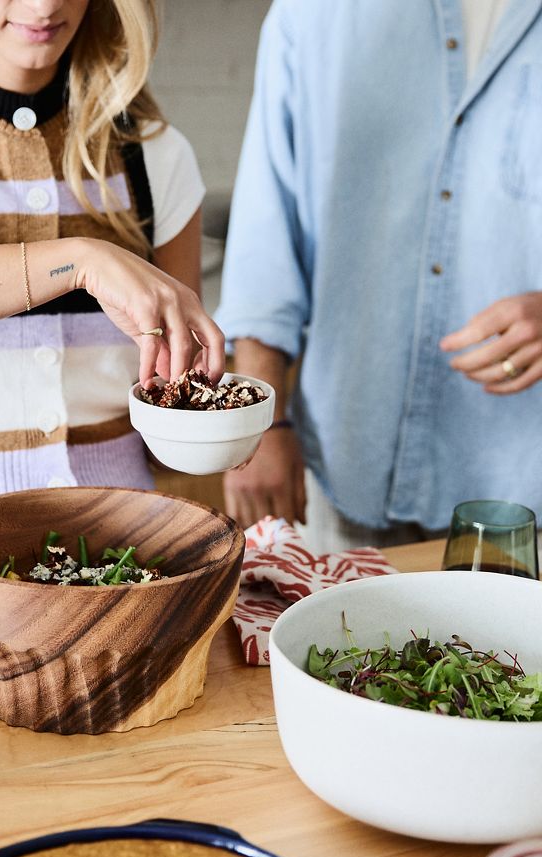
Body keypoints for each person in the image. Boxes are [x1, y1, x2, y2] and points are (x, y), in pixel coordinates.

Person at [0, 0, 225, 623]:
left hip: (125, 550)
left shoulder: (152, 153)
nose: (43, 5)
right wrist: (79, 259)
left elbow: (171, 387)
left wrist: (210, 428)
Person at [217, 0, 542, 553]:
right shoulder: (312, 14)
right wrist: (261, 425)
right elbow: (266, 239)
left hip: (521, 488)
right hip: (344, 468)